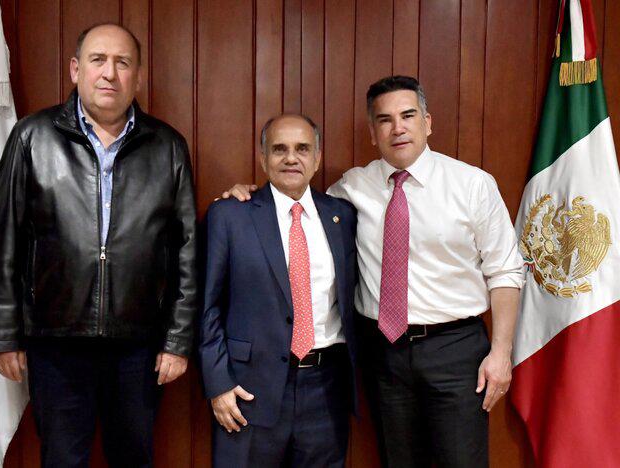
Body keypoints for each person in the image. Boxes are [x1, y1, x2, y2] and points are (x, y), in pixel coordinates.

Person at [223, 76, 524, 467]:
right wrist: (250, 198)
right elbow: (296, 204)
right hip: (385, 354)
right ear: (372, 132)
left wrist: (501, 353)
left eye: (408, 116)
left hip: (455, 351)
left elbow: (505, 271)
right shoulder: (351, 188)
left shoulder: (472, 185)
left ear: (427, 123)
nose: (397, 128)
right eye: (385, 120)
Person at [0, 23, 197, 467]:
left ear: (138, 76)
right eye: (98, 60)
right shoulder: (32, 137)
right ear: (76, 70)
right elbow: (4, 242)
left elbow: (186, 252)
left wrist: (177, 340)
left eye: (123, 62)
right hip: (55, 343)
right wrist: (3, 336)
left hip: (139, 346)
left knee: (133, 459)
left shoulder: (168, 147)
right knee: (62, 460)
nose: (109, 73)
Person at [200, 114, 359, 467]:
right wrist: (218, 384)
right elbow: (207, 306)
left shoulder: (342, 216)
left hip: (326, 390)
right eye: (279, 149)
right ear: (262, 158)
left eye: (302, 149)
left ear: (317, 158)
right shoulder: (230, 215)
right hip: (247, 391)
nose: (291, 158)